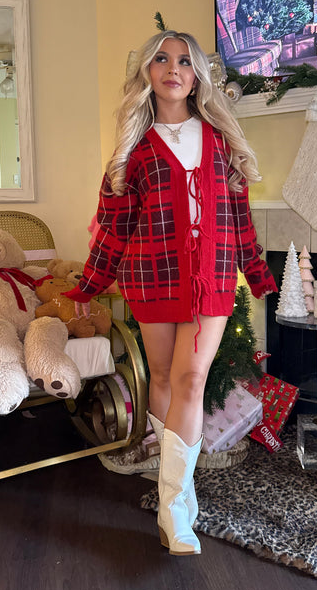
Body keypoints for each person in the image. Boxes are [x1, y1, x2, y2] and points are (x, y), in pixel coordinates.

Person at [66, 30, 277, 556]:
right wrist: (90, 284)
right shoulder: (134, 149)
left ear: (197, 76)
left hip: (212, 279)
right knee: (161, 377)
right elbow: (114, 228)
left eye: (184, 61)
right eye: (161, 59)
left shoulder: (219, 140)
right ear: (148, 73)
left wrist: (256, 271)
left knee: (190, 378)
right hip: (150, 277)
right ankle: (175, 497)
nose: (173, 68)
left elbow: (238, 216)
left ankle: (173, 507)